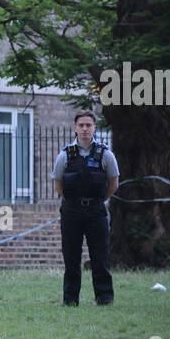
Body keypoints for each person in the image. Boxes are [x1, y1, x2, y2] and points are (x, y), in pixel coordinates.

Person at [52, 111, 119, 306]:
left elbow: (113, 183)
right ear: (75, 128)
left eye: (88, 125)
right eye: (81, 125)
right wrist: (72, 201)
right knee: (71, 257)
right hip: (71, 212)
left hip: (96, 212)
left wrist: (99, 200)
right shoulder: (65, 155)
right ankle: (70, 299)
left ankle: (104, 298)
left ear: (94, 128)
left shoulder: (105, 154)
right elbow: (58, 184)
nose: (84, 129)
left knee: (100, 256)